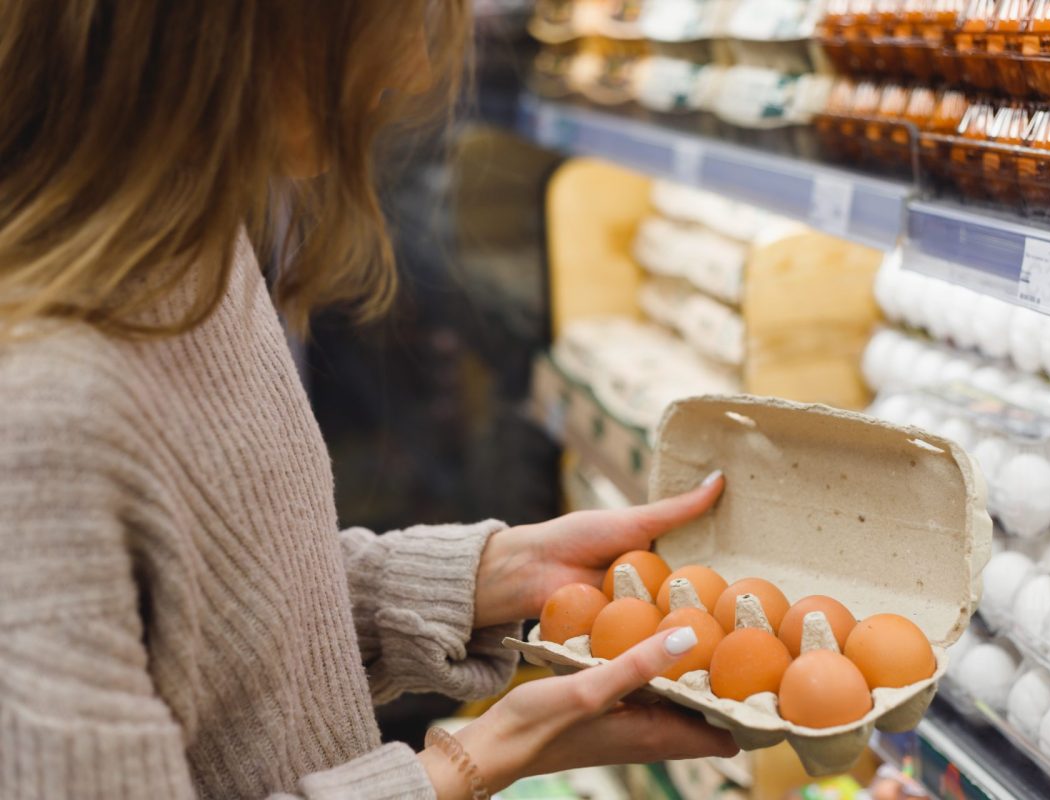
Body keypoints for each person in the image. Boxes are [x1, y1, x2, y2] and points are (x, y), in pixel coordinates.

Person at [0, 2, 738, 799]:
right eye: (388, 21)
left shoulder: (182, 250)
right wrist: (461, 766)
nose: (411, 73)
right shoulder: (40, 413)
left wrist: (486, 578)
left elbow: (206, 633)